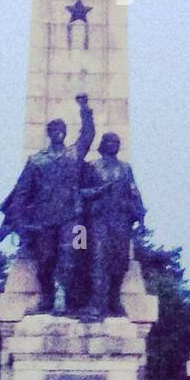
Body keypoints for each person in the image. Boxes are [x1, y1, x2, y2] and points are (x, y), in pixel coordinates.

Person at [0, 94, 95, 312]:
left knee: (70, 257)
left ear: (65, 133)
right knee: (45, 260)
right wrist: (20, 220)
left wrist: (85, 108)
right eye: (54, 130)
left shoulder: (74, 154)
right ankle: (47, 297)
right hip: (44, 219)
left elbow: (88, 134)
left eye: (62, 129)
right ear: (49, 133)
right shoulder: (36, 160)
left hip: (72, 217)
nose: (59, 132)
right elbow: (22, 192)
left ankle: (62, 298)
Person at [79, 130, 146, 317]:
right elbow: (81, 193)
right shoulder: (93, 166)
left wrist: (140, 217)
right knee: (97, 259)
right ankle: (96, 302)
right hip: (98, 219)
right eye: (110, 142)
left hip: (120, 220)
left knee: (120, 261)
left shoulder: (126, 168)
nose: (114, 144)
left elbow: (134, 192)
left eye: (117, 142)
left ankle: (114, 299)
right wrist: (99, 190)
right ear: (103, 145)